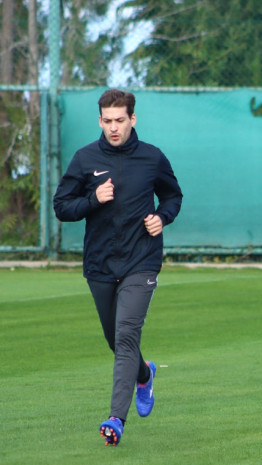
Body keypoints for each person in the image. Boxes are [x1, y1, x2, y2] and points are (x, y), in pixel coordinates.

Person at [53, 89, 183, 446]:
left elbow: (173, 196)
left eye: (120, 121)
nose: (114, 128)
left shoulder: (152, 158)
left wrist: (162, 217)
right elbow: (61, 207)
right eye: (107, 121)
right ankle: (145, 374)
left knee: (126, 334)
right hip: (99, 263)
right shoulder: (85, 159)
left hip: (141, 260)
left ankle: (115, 418)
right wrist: (93, 199)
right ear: (100, 121)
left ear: (132, 119)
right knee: (114, 339)